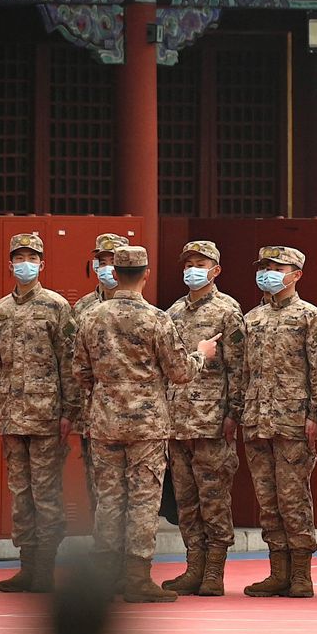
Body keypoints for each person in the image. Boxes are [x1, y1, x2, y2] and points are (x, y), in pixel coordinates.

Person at [73, 246, 220, 603]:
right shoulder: (157, 319)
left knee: (108, 500)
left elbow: (79, 371)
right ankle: (137, 577)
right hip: (147, 426)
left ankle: (106, 576)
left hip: (105, 422)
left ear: (115, 274)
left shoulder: (91, 317)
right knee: (142, 500)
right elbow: (180, 372)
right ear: (146, 274)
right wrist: (202, 353)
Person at [0, 233, 80, 593]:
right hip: (12, 416)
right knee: (20, 493)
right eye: (18, 257)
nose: (24, 263)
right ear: (10, 264)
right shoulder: (0, 310)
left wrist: (68, 412)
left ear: (42, 264)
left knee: (46, 494)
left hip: (46, 417)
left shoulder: (57, 307)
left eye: (32, 257)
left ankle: (45, 567)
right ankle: (26, 565)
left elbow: (69, 362)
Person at [241, 246, 317, 598]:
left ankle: (300, 574)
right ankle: (277, 569)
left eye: (277, 267)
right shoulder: (252, 318)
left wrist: (314, 415)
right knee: (268, 500)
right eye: (265, 266)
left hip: (293, 422)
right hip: (258, 419)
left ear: (296, 274)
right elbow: (243, 371)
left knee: (294, 498)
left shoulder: (311, 318)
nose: (269, 272)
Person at [160, 241, 246, 595]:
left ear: (216, 270)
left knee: (214, 497)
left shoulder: (228, 311)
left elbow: (239, 368)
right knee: (186, 500)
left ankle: (214, 571)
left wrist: (233, 413)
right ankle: (193, 565)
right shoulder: (173, 312)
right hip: (179, 422)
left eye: (200, 263)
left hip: (212, 421)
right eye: (188, 263)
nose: (192, 268)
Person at [72, 233, 130, 521]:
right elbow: (75, 365)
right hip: (93, 416)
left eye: (113, 261)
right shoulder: (82, 308)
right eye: (101, 261)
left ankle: (129, 560)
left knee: (132, 493)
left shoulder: (139, 307)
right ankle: (104, 559)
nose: (106, 266)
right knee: (99, 491)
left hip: (133, 416)